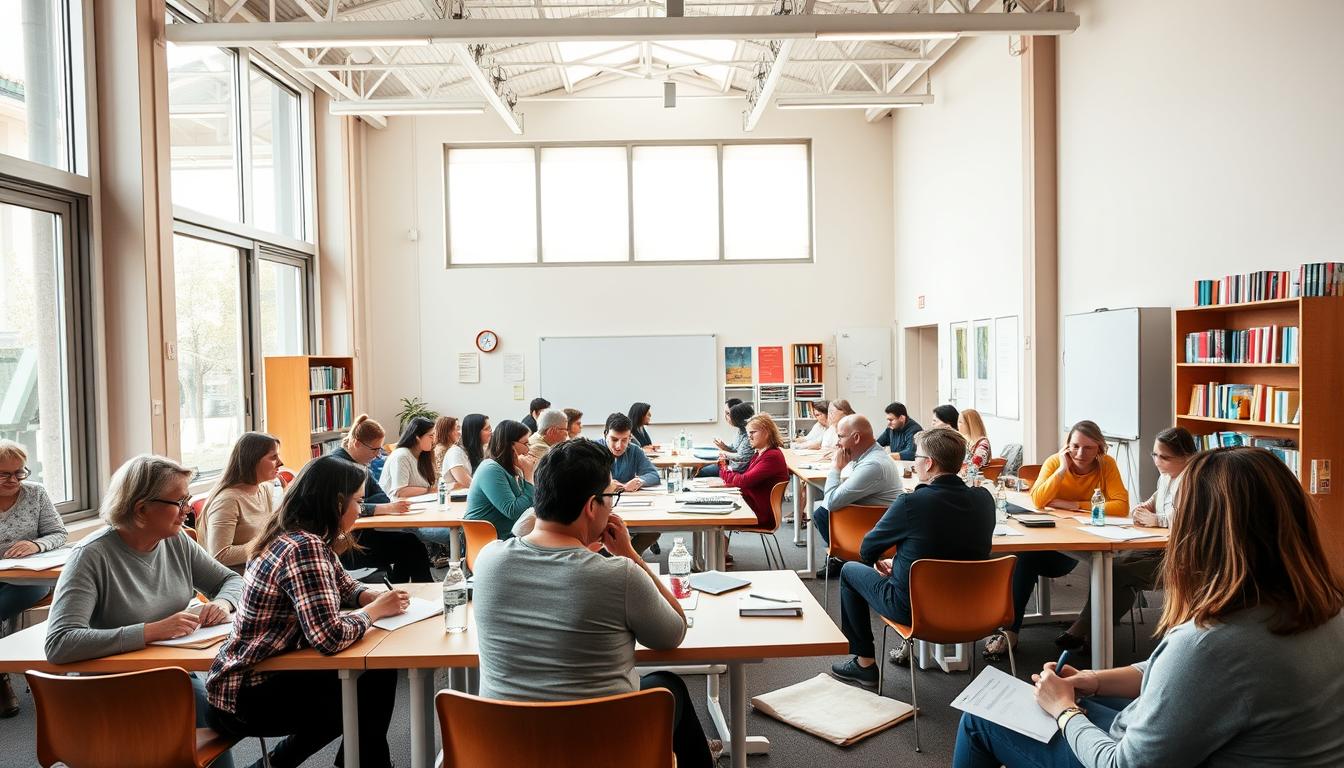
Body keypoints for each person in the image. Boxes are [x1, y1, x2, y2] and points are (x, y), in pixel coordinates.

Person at [955, 446, 1344, 768]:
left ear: (1197, 534)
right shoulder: (1323, 608)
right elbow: (1177, 672)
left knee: (981, 716)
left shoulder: (1209, 644)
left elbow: (1120, 764)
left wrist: (1064, 709)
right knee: (1082, 697)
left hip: (1125, 759)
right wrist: (1092, 679)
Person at [472, 439, 715, 768]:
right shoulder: (619, 575)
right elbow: (673, 632)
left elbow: (520, 531)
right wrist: (630, 555)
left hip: (507, 749)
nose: (612, 508)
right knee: (669, 686)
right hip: (603, 749)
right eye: (610, 498)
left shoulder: (487, 562)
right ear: (591, 506)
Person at [206, 456, 410, 768]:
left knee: (369, 683)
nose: (361, 509)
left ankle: (326, 762)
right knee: (366, 687)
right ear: (336, 502)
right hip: (247, 694)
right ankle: (358, 762)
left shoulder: (295, 535)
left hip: (255, 677)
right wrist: (374, 610)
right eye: (357, 501)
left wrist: (365, 593)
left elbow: (343, 584)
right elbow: (329, 637)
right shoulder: (304, 547)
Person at [46, 455, 243, 767]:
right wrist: (152, 630)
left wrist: (222, 602)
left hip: (169, 675)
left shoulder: (177, 542)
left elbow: (231, 580)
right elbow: (60, 643)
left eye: (187, 498)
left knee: (225, 715)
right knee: (219, 716)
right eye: (179, 501)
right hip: (109, 686)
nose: (188, 509)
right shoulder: (91, 556)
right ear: (141, 509)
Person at [830, 428, 996, 686]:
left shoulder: (911, 503)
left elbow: (867, 550)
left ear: (929, 463)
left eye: (917, 457)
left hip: (917, 609)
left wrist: (885, 561)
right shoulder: (985, 499)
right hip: (978, 607)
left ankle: (864, 663)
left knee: (850, 571)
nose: (915, 462)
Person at [985, 420, 1130, 661]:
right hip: (1047, 538)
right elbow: (1039, 499)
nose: (1080, 454)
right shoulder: (1056, 461)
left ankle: (1090, 632)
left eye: (1088, 448)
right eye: (1074, 447)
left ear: (1100, 449)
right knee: (1024, 556)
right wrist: (1062, 469)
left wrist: (1075, 506)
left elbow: (1121, 506)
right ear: (1067, 446)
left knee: (1030, 559)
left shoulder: (1107, 466)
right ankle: (1011, 631)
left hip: (1078, 542)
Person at [1054, 426, 1198, 652]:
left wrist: (1156, 519)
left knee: (1116, 572)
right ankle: (1096, 631)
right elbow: (1157, 498)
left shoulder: (1195, 480)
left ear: (1187, 457)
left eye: (1164, 457)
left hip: (1183, 556)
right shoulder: (1167, 475)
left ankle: (1085, 629)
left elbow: (1187, 516)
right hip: (1159, 545)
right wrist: (1145, 507)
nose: (1157, 461)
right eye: (1155, 454)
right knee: (1113, 565)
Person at [0, 440, 68, 716]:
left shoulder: (36, 494)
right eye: (5, 474)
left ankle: (1, 679)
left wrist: (36, 545)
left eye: (20, 472)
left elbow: (59, 534)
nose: (14, 479)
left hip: (30, 578)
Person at [330, 414, 434, 581]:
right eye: (375, 449)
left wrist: (363, 505)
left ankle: (399, 591)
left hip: (361, 536)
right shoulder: (336, 467)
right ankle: (409, 592)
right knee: (411, 547)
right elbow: (341, 509)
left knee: (411, 543)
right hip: (345, 544)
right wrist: (377, 508)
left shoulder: (362, 467)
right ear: (357, 444)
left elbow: (382, 497)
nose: (379, 455)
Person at [811, 414, 905, 578]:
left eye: (840, 436)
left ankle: (848, 560)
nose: (837, 442)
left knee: (822, 511)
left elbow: (831, 502)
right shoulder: (869, 457)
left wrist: (836, 468)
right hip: (870, 527)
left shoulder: (873, 464)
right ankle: (844, 561)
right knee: (822, 508)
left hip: (877, 535)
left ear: (855, 438)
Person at [199, 432, 281, 570]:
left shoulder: (264, 489)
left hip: (260, 571)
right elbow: (219, 555)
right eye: (274, 457)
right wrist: (265, 543)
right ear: (252, 460)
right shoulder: (227, 501)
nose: (280, 462)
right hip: (239, 582)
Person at [596, 413, 661, 554]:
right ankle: (621, 559)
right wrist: (604, 484)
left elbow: (654, 475)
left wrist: (639, 481)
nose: (619, 446)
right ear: (605, 434)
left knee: (653, 530)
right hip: (600, 508)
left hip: (629, 507)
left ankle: (623, 558)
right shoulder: (591, 449)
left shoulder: (634, 450)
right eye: (614, 439)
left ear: (630, 437)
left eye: (624, 440)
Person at [465, 420, 538, 539]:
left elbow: (530, 504)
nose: (528, 450)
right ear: (510, 445)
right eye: (525, 444)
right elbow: (514, 511)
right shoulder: (491, 469)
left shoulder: (512, 469)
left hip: (510, 536)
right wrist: (529, 476)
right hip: (491, 541)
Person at [718, 414, 790, 529]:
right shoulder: (759, 453)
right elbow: (743, 479)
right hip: (751, 505)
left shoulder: (771, 456)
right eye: (748, 434)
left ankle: (717, 546)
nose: (749, 437)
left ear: (766, 432)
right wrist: (726, 470)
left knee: (716, 519)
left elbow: (743, 481)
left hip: (759, 513)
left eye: (753, 433)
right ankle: (718, 545)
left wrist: (723, 467)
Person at [379, 416, 436, 498]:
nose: (434, 439)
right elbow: (400, 492)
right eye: (431, 436)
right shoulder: (401, 456)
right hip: (396, 507)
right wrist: (428, 490)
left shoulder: (422, 456)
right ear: (417, 437)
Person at [700, 402, 755, 478]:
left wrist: (724, 453)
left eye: (728, 414)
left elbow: (742, 457)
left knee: (701, 471)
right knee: (700, 468)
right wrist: (724, 447)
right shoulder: (740, 430)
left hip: (735, 468)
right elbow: (735, 449)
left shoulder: (749, 434)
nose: (727, 417)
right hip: (730, 464)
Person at [447, 413, 490, 490]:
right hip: (452, 499)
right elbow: (469, 483)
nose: (491, 432)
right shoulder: (455, 452)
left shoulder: (480, 450)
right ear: (475, 432)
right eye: (487, 429)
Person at [430, 415, 459, 480]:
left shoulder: (450, 448)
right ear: (448, 432)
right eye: (457, 429)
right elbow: (441, 476)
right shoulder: (443, 450)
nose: (459, 432)